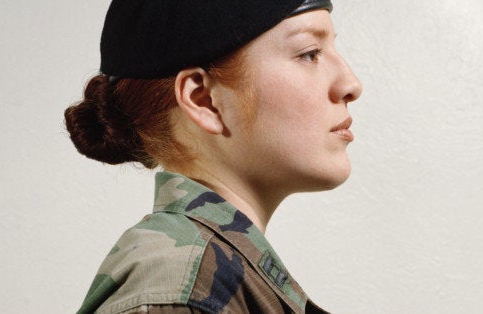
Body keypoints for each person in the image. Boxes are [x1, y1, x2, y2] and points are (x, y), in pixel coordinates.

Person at [64, 0, 362, 313]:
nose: (351, 84)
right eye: (310, 53)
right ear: (203, 99)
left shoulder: (213, 280)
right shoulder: (181, 295)